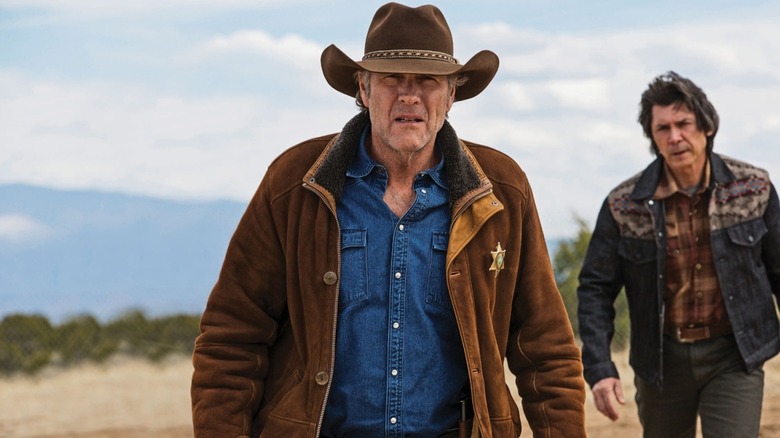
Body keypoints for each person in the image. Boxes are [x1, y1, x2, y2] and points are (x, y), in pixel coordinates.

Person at [191, 3, 586, 437]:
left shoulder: (502, 190)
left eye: (428, 81)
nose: (409, 96)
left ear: (451, 95)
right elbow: (232, 337)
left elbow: (546, 350)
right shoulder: (294, 184)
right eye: (392, 78)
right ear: (363, 89)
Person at [577, 71, 780, 437]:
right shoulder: (624, 205)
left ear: (707, 126)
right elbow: (595, 288)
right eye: (663, 128)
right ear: (652, 137)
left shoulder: (754, 189)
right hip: (660, 362)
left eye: (683, 124)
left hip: (734, 355)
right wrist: (600, 368)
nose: (675, 137)